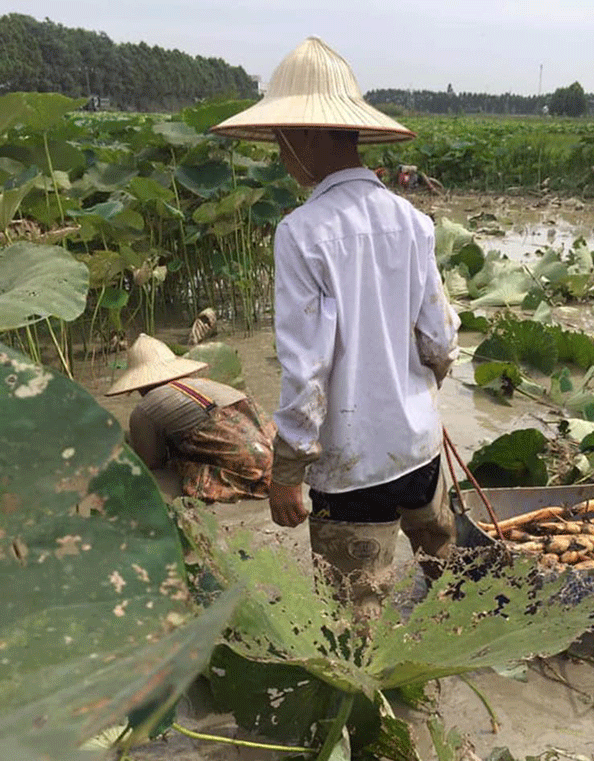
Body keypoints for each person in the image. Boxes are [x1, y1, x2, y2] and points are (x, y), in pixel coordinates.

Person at [211, 37, 460, 613]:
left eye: (281, 140)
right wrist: (414, 393)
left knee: (356, 619)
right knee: (445, 581)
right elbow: (441, 339)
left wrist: (286, 471)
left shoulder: (302, 232)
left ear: (305, 135)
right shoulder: (412, 219)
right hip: (419, 452)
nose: (279, 153)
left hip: (352, 465)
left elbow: (307, 369)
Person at [106, 333, 276, 503]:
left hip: (253, 471)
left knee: (162, 474)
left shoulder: (144, 409)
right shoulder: (203, 382)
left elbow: (151, 463)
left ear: (138, 383)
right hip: (279, 453)